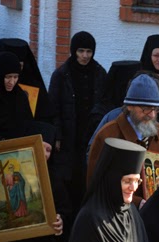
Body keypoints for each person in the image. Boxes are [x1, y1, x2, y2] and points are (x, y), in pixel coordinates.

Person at [87, 74, 159, 202]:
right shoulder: (108, 135)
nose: (152, 115)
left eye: (156, 109)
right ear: (129, 106)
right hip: (118, 211)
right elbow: (96, 182)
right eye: (146, 109)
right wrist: (137, 203)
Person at [48, 31, 106, 230]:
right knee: (68, 182)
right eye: (81, 51)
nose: (85, 56)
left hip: (90, 135)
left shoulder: (99, 73)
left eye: (89, 51)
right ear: (74, 51)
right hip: (67, 138)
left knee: (86, 181)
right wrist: (57, 135)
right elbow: (53, 108)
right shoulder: (61, 75)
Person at [0, 51, 34, 139]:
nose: (12, 82)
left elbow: (28, 126)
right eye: (8, 77)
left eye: (15, 77)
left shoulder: (20, 96)